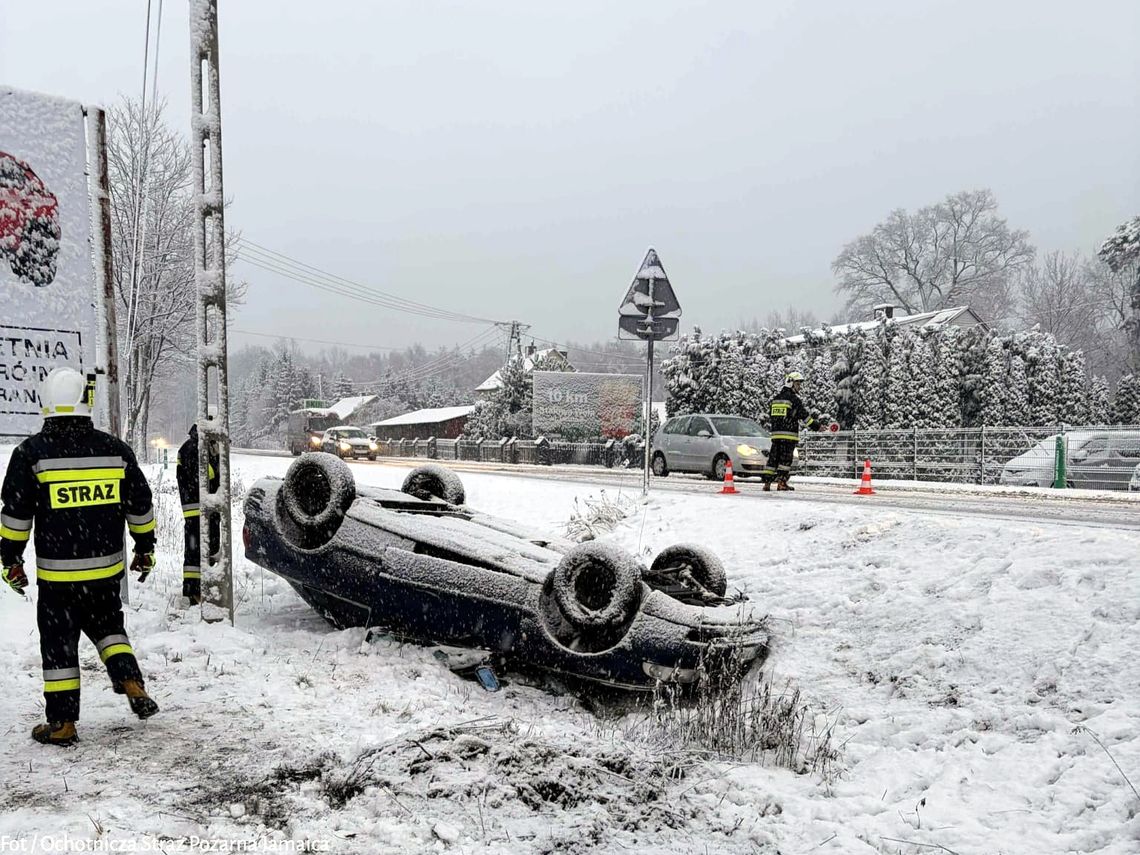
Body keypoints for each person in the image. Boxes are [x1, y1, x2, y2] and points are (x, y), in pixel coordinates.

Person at [0, 367, 159, 746]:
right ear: (86, 404)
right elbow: (140, 505)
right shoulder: (115, 451)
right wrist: (145, 548)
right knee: (109, 630)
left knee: (59, 647)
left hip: (58, 577)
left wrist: (10, 559)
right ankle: (131, 682)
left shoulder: (31, 454)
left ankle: (63, 724)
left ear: (47, 404)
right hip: (106, 571)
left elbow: (16, 515)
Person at [176, 421, 219, 605]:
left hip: (197, 507)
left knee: (198, 549)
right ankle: (195, 591)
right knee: (200, 549)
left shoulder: (191, 447)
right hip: (199, 507)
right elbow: (206, 477)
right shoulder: (196, 449)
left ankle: (196, 588)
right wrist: (216, 461)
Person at [760, 371, 822, 492]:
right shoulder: (794, 400)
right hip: (789, 435)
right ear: (790, 383)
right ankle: (782, 483)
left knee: (773, 458)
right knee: (785, 460)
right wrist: (817, 426)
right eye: (798, 384)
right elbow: (805, 417)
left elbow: (772, 416)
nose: (799, 387)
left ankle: (767, 483)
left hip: (776, 435)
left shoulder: (776, 399)